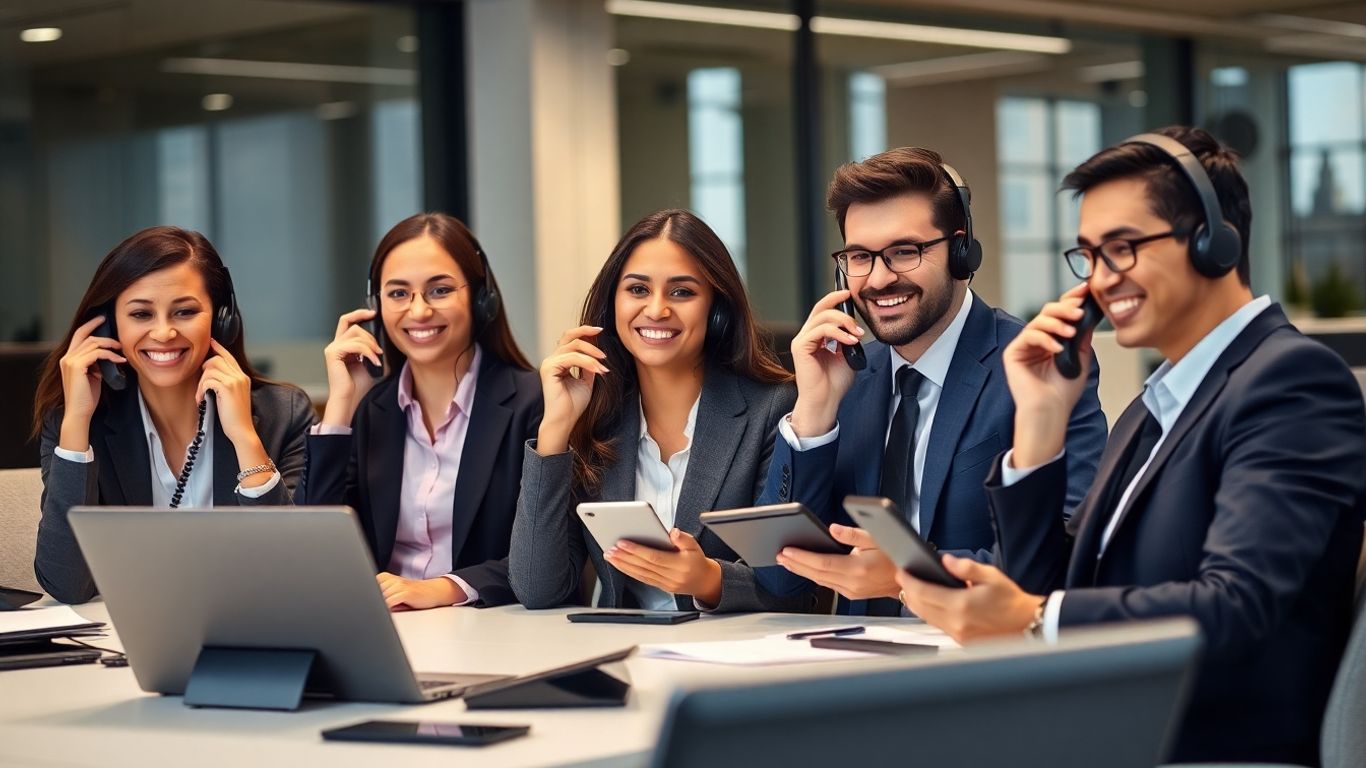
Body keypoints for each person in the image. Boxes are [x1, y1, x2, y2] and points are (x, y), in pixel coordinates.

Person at [894, 126, 1366, 764]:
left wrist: (1033, 618)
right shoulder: (1153, 408)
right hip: (1111, 730)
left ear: (1213, 241)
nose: (1099, 280)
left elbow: (1236, 606)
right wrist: (1040, 419)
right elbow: (1046, 581)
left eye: (1121, 249)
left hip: (1205, 749)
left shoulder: (1291, 382)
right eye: (1088, 256)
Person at [757, 147, 1107, 614]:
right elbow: (780, 577)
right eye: (860, 256)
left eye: (905, 252)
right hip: (857, 654)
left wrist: (907, 576)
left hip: (982, 650)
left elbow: (1070, 553)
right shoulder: (846, 377)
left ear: (961, 252)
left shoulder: (1036, 368)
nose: (879, 279)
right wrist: (813, 415)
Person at [510, 209, 816, 613]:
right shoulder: (594, 414)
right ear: (613, 302)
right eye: (638, 289)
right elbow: (537, 588)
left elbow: (793, 588)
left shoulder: (772, 409)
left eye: (682, 292)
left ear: (717, 310)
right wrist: (556, 429)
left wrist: (708, 579)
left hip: (731, 648)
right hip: (622, 646)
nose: (656, 310)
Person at [33, 226, 315, 604]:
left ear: (222, 318)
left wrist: (245, 438)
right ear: (110, 325)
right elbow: (65, 584)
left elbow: (294, 574)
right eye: (141, 314)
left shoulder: (284, 415)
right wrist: (77, 422)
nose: (164, 333)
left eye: (185, 311)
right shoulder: (76, 425)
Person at [299, 213, 542, 609]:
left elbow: (548, 556)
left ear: (481, 298)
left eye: (439, 290)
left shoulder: (533, 402)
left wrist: (443, 588)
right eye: (398, 294)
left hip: (490, 626)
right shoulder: (373, 410)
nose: (418, 311)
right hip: (388, 623)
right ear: (375, 306)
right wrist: (342, 405)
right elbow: (315, 550)